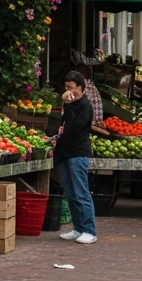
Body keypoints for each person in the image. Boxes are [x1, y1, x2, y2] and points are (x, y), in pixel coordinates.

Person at [55, 71, 97, 244]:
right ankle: (78, 228)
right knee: (71, 194)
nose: (68, 91)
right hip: (66, 153)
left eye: (71, 88)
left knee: (81, 192)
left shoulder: (84, 106)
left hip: (78, 153)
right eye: (66, 88)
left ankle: (89, 230)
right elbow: (64, 125)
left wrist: (68, 104)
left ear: (80, 87)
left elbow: (75, 127)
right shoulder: (70, 105)